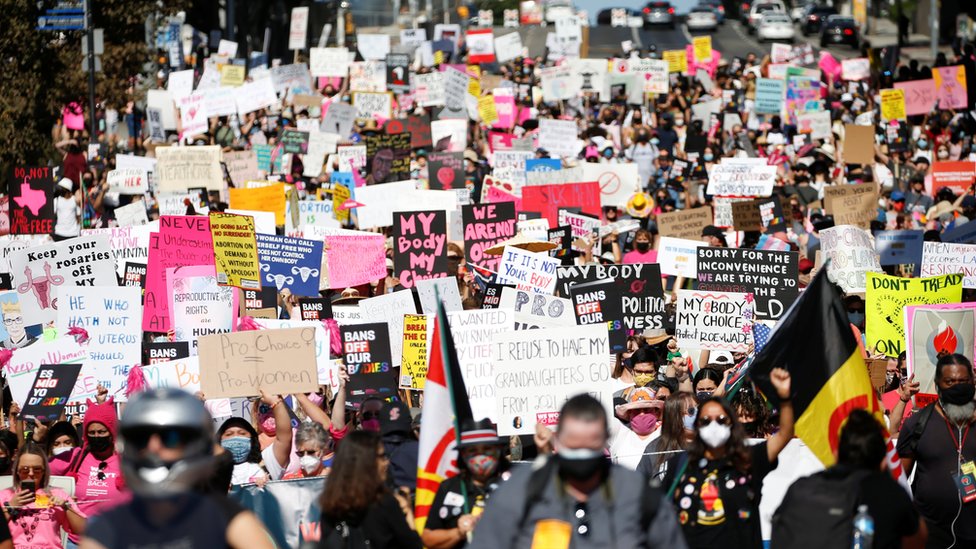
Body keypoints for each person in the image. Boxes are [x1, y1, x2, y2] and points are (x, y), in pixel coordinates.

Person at [468, 394, 687, 548]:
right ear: (559, 441)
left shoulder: (639, 493)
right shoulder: (518, 492)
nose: (581, 455)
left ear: (604, 442)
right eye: (573, 446)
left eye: (590, 445)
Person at [81, 388, 274, 549]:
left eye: (170, 438)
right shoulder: (105, 530)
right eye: (141, 438)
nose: (154, 448)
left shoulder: (227, 519)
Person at [662, 367, 793, 549]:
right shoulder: (681, 464)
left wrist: (785, 398)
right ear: (698, 425)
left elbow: (785, 435)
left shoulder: (746, 459)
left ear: (732, 423)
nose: (714, 425)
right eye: (706, 421)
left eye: (721, 420)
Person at [772, 409, 926, 549]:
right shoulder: (893, 495)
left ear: (836, 453)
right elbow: (919, 540)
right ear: (884, 462)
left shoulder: (800, 488)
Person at [897, 353, 976, 547]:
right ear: (937, 384)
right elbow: (899, 481)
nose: (957, 386)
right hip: (930, 534)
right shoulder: (917, 424)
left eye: (963, 381)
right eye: (950, 381)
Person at [319, 431, 422, 549]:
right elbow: (414, 545)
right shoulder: (384, 504)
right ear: (366, 462)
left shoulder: (331, 505)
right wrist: (408, 512)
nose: (386, 462)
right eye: (382, 456)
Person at [422, 419, 512, 549]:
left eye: (487, 449)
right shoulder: (448, 488)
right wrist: (459, 532)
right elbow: (427, 537)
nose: (480, 456)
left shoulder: (514, 483)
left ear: (498, 451)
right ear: (463, 455)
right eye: (473, 451)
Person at [49, 396, 128, 520]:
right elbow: (40, 469)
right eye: (91, 432)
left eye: (101, 432)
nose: (96, 436)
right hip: (77, 537)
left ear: (112, 432)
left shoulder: (126, 460)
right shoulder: (75, 456)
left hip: (115, 536)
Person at [1, 443, 86, 548]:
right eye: (25, 469)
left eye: (37, 469)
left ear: (44, 471)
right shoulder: (5, 496)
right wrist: (10, 507)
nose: (31, 473)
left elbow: (83, 530)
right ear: (17, 471)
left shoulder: (57, 494)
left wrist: (66, 508)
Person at [217, 390, 293, 485]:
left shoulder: (267, 462)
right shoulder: (210, 471)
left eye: (242, 433)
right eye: (229, 434)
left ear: (252, 439)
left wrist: (276, 403)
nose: (236, 438)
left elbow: (284, 437)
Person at [637, 392, 696, 481]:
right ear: (674, 416)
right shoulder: (654, 449)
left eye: (699, 409)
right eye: (691, 411)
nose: (697, 414)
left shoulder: (710, 446)